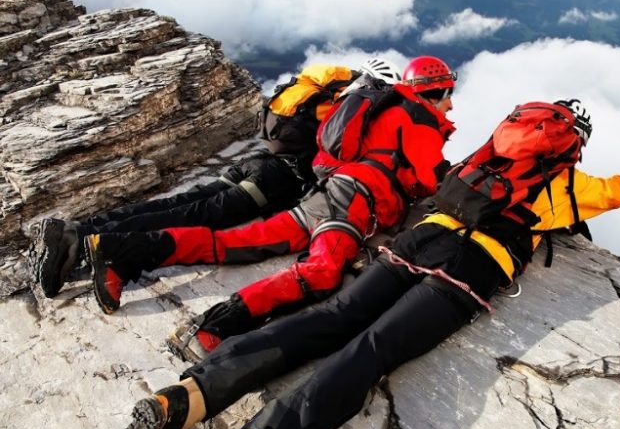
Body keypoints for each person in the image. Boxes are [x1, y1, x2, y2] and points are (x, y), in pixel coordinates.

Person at [116, 99, 620, 429]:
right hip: (472, 268)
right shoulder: (570, 181)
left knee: (330, 318)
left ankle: (184, 398)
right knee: (372, 350)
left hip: (419, 241)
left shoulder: (490, 153)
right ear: (573, 142)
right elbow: (619, 189)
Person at [84, 56, 458, 353]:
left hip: (329, 195)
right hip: (353, 207)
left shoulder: (383, 109)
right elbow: (426, 180)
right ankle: (212, 329)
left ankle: (120, 252)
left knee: (236, 242)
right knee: (322, 272)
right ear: (433, 91)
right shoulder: (419, 120)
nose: (451, 104)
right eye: (448, 95)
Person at [29, 58, 402, 298]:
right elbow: (334, 158)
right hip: (273, 181)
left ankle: (77, 230)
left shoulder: (325, 89)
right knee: (190, 216)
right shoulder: (350, 111)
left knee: (176, 204)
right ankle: (91, 241)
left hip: (259, 161)